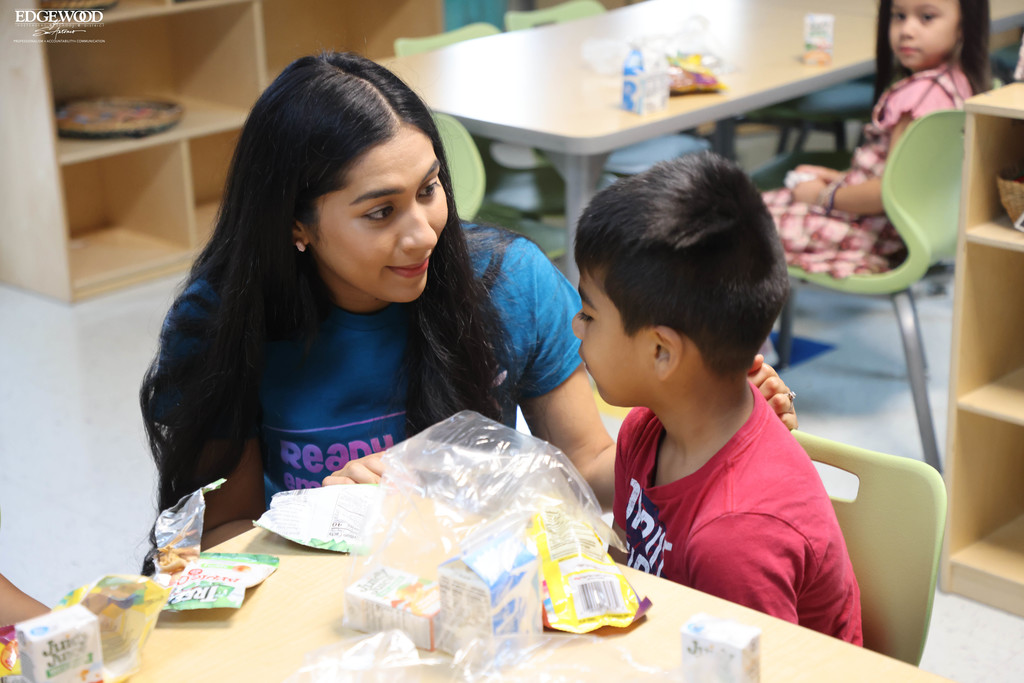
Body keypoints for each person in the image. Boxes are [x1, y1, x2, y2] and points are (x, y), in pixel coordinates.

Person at [139, 52, 796, 564]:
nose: (424, 231)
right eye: (380, 211)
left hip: (475, 595)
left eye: (429, 189)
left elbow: (590, 466)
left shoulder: (505, 282)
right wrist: (319, 520)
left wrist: (710, 424)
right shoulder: (223, 324)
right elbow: (215, 537)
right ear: (296, 224)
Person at [574, 152, 862, 643]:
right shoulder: (648, 428)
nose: (575, 325)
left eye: (590, 314)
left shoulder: (735, 540)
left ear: (662, 352)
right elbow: (635, 571)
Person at [763, 0, 990, 278]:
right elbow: (909, 178)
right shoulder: (959, 83)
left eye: (927, 17)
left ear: (964, 24)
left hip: (870, 235)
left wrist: (823, 195)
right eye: (898, 16)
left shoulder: (919, 98)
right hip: (913, 230)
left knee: (743, 221)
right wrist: (835, 177)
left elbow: (888, 193)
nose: (907, 30)